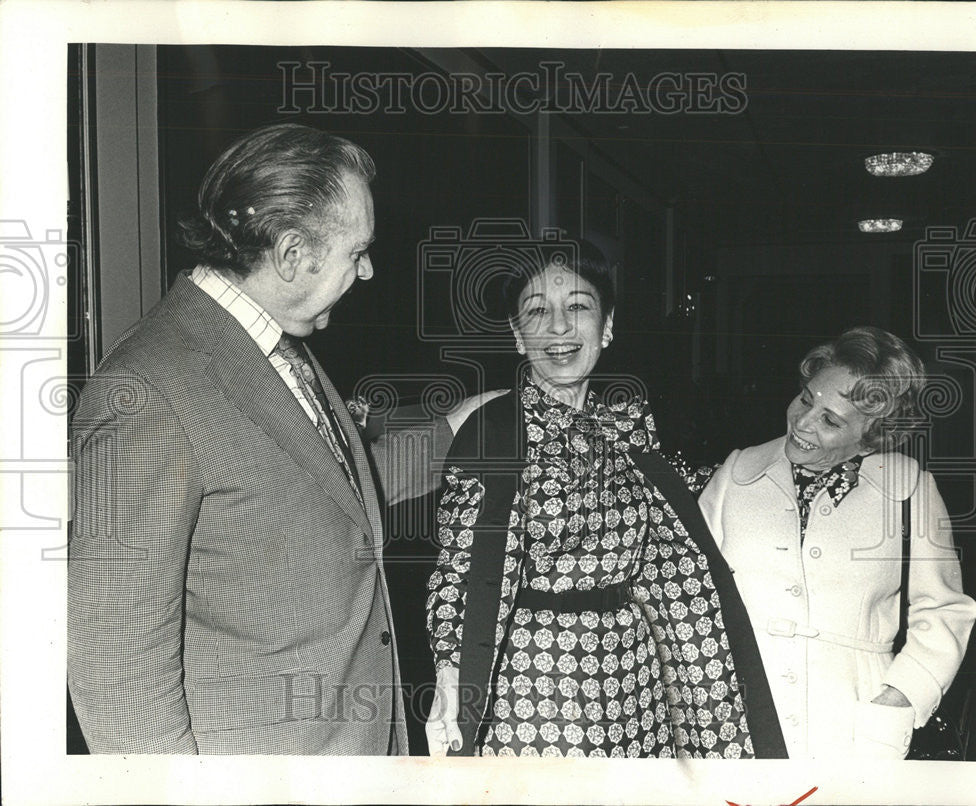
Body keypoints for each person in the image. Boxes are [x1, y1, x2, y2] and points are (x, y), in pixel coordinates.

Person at [68, 123, 485, 754]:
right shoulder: (147, 388)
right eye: (358, 252)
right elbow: (115, 665)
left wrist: (456, 429)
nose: (368, 272)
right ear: (292, 255)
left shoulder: (270, 342)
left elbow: (324, 494)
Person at [424, 242, 787, 758]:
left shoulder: (630, 423)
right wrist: (448, 672)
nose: (557, 327)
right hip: (536, 686)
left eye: (577, 306)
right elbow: (457, 570)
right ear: (516, 333)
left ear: (607, 325)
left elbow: (673, 531)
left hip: (638, 683)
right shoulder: (492, 431)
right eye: (536, 311)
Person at [698, 327, 976, 758]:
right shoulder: (735, 474)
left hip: (852, 723)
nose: (803, 422)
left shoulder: (909, 490)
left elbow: (944, 610)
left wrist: (902, 694)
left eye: (831, 420)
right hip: (734, 713)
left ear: (873, 432)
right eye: (806, 400)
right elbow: (685, 591)